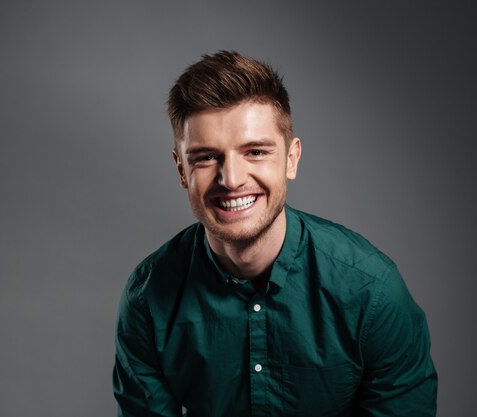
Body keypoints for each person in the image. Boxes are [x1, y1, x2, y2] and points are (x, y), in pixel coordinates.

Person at [113, 50, 438, 417]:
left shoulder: (372, 293)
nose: (231, 179)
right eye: (205, 157)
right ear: (181, 169)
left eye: (255, 152)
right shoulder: (148, 298)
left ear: (291, 159)